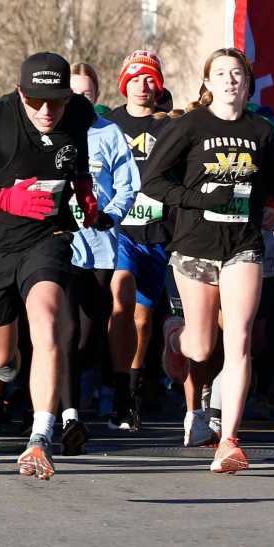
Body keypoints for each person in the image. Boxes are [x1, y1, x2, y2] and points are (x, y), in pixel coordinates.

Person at [140, 48, 274, 474]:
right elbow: (153, 181)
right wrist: (198, 198)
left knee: (239, 340)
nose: (230, 80)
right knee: (201, 347)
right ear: (207, 83)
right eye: (221, 73)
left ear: (248, 82)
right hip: (195, 245)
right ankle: (174, 338)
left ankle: (230, 440)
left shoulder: (264, 129)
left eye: (237, 73)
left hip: (244, 245)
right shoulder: (189, 126)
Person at [0, 51, 99, 480]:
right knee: (0, 355)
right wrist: (3, 197)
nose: (46, 111)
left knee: (47, 319)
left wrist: (83, 185)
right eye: (36, 101)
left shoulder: (79, 114)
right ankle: (6, 366)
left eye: (56, 102)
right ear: (20, 92)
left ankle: (40, 437)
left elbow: (74, 152)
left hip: (46, 237)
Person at [60, 85, 139, 454]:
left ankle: (69, 401)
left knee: (86, 336)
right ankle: (66, 415)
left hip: (100, 249)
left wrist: (112, 215)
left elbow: (128, 184)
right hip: (60, 245)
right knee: (66, 331)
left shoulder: (108, 133)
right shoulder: (51, 129)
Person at [105, 50, 172, 432]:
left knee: (143, 319)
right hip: (121, 231)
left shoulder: (170, 127)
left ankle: (132, 389)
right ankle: (117, 389)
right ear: (124, 84)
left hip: (157, 232)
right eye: (134, 79)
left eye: (149, 79)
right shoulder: (109, 125)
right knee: (121, 297)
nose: (142, 86)